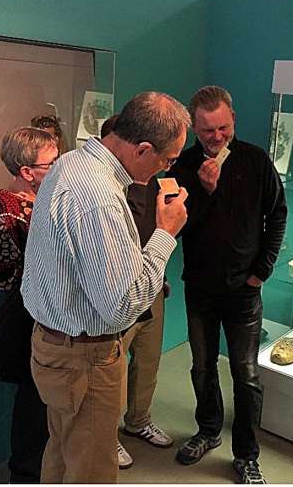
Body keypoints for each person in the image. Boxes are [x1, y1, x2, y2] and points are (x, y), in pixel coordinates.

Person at [21, 91, 190, 484]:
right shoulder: (99, 198)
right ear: (143, 149)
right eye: (168, 160)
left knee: (63, 454)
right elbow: (122, 307)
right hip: (84, 358)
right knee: (91, 471)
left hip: (54, 345)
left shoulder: (71, 162)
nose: (167, 168)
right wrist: (165, 234)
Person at [167, 86, 287, 484]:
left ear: (233, 118)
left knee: (246, 375)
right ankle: (208, 431)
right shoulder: (182, 167)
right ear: (193, 127)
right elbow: (177, 227)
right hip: (200, 287)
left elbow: (277, 214)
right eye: (207, 131)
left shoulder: (255, 159)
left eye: (222, 127)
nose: (216, 137)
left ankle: (247, 455)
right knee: (202, 368)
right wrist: (205, 191)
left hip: (244, 290)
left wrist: (262, 270)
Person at [0, 126, 60, 483]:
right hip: (27, 316)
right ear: (26, 171)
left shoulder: (47, 197)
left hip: (51, 311)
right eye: (51, 163)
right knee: (33, 403)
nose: (58, 168)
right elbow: (1, 275)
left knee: (48, 401)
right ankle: (26, 475)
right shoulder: (2, 208)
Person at [99, 115, 174, 470]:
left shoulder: (155, 179)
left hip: (153, 287)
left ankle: (138, 419)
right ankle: (107, 435)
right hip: (121, 294)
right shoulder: (108, 191)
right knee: (113, 370)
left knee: (148, 360)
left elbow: (159, 231)